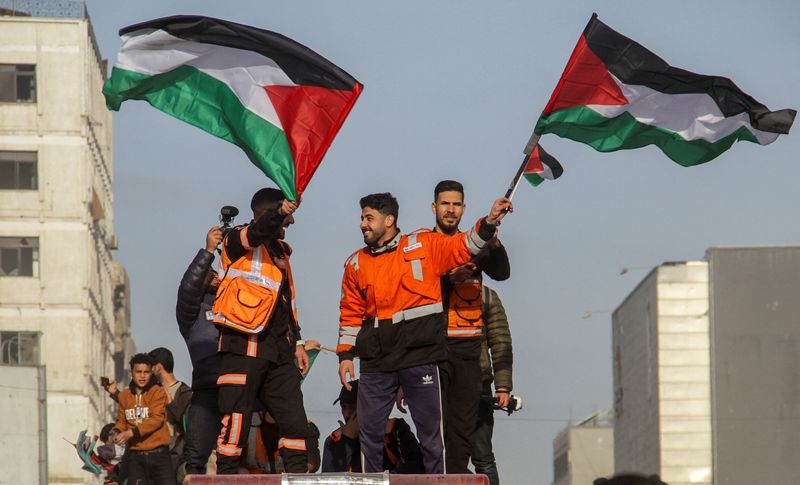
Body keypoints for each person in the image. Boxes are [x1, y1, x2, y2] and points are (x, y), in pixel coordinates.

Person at [337, 192, 512, 473]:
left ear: (389, 220)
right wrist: (345, 355)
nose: (362, 224)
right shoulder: (355, 264)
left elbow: (464, 245)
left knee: (432, 438)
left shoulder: (424, 245)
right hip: (376, 363)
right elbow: (350, 313)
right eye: (362, 218)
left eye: (369, 218)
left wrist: (489, 221)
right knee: (369, 435)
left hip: (419, 358)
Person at [210, 188, 311, 474]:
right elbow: (258, 231)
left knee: (294, 419)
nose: (290, 223)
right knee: (236, 418)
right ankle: (226, 478)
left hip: (279, 349)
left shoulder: (281, 253)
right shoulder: (236, 240)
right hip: (242, 345)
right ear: (270, 213)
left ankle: (297, 477)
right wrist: (280, 212)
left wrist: (299, 342)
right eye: (286, 217)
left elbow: (286, 302)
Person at [429, 180, 510, 473]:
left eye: (456, 204)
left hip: (472, 364)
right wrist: (450, 279)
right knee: (437, 440)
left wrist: (495, 244)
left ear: (464, 209)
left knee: (475, 448)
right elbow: (413, 295)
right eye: (445, 204)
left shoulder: (475, 244)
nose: (450, 210)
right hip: (433, 362)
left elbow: (501, 273)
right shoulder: (424, 245)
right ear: (434, 207)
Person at [175, 226, 224, 474]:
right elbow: (189, 287)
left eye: (217, 273)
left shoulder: (235, 306)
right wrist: (209, 251)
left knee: (233, 457)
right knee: (195, 460)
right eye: (210, 274)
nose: (216, 277)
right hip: (206, 390)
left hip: (240, 390)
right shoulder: (191, 315)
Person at [322, 380, 424, 473]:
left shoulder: (394, 428)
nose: (347, 413)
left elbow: (415, 465)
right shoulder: (334, 439)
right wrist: (347, 439)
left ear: (368, 406)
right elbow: (329, 478)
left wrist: (385, 479)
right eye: (343, 407)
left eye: (353, 407)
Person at [472, 285, 514, 485]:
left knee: (483, 456)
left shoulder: (486, 296)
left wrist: (503, 387)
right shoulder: (432, 290)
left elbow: (500, 341)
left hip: (478, 384)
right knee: (442, 456)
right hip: (440, 385)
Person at [113, 353, 173, 485]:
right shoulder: (124, 396)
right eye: (138, 371)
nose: (142, 375)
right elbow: (122, 420)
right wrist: (117, 432)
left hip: (160, 456)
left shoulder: (158, 392)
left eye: (146, 372)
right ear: (132, 372)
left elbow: (156, 420)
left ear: (152, 372)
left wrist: (131, 433)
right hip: (135, 457)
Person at [148, 347, 191, 483]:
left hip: (174, 460)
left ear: (159, 367)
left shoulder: (186, 394)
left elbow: (189, 425)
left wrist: (171, 403)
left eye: (151, 367)